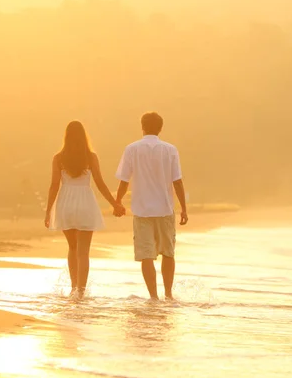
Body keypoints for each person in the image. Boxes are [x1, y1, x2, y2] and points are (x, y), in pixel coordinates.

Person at [45, 120, 126, 298]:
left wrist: (48, 211)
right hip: (85, 203)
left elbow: (54, 186)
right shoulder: (90, 157)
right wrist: (115, 204)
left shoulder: (58, 158)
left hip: (65, 203)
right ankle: (80, 291)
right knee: (83, 251)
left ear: (66, 136)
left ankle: (73, 288)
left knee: (72, 247)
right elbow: (100, 183)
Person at [115, 112, 188, 300]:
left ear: (142, 126)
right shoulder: (170, 150)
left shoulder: (132, 149)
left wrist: (118, 201)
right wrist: (184, 208)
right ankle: (169, 294)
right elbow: (177, 181)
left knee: (146, 255)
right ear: (160, 128)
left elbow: (124, 180)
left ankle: (154, 297)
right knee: (168, 252)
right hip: (165, 208)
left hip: (142, 210)